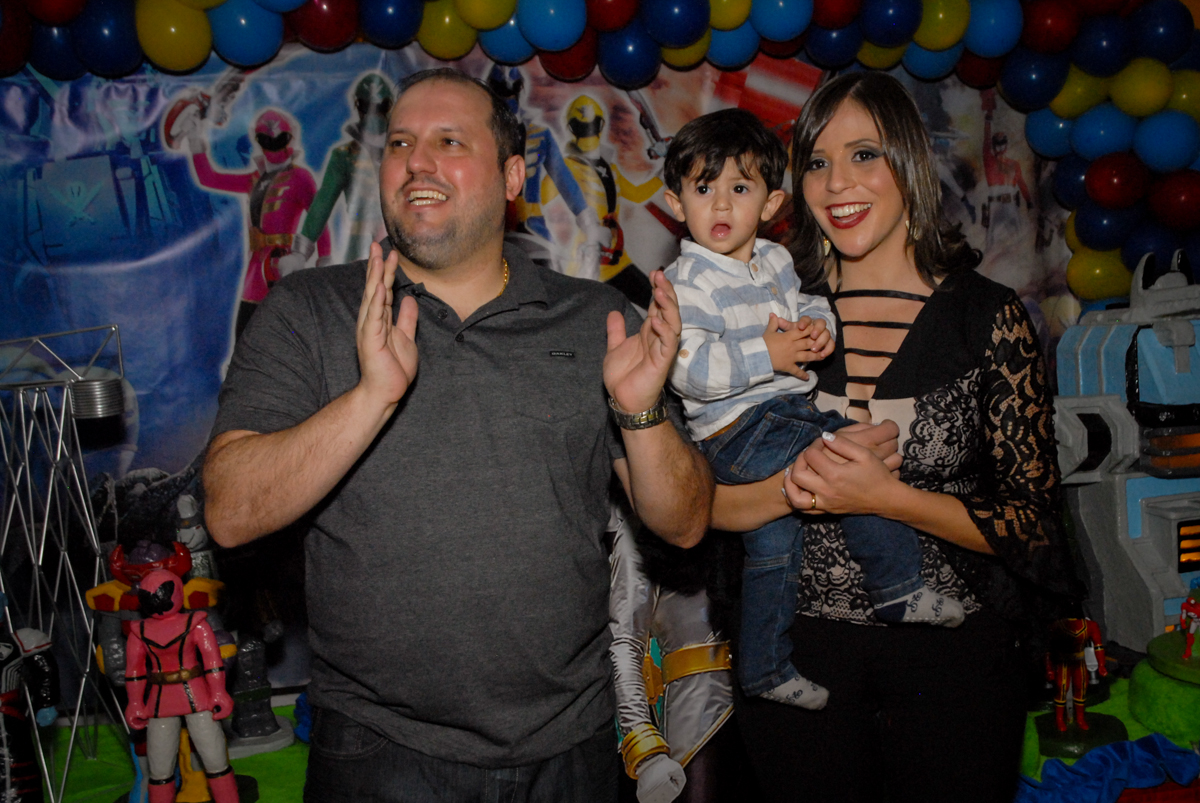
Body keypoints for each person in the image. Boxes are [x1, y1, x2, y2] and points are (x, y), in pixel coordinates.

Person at [201, 68, 713, 803]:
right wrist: (372, 396)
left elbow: (686, 521)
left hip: (571, 749)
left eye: (449, 140)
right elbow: (230, 507)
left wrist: (638, 413)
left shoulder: (594, 317)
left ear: (511, 176)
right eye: (401, 141)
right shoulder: (310, 310)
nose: (417, 160)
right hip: (379, 751)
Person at [711, 72, 1077, 802]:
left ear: (907, 162)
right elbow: (698, 505)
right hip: (794, 666)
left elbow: (1034, 528)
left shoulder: (988, 319)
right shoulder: (767, 315)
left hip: (953, 674)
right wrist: (796, 487)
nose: (836, 182)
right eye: (817, 160)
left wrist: (889, 498)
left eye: (864, 155)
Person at [660, 109, 964, 711]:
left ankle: (766, 668)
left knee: (773, 552)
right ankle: (897, 586)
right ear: (675, 203)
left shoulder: (773, 264)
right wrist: (769, 352)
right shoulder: (685, 281)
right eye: (703, 188)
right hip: (732, 432)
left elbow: (811, 307)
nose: (720, 206)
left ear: (772, 203)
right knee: (846, 451)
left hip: (773, 418)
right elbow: (688, 370)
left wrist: (816, 331)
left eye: (739, 189)